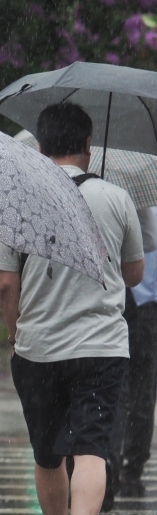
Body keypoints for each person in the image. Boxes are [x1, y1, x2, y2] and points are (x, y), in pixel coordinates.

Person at [0, 102, 144, 515]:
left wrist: (16, 336)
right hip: (101, 347)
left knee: (47, 452)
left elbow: (6, 286)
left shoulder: (19, 199)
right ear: (88, 146)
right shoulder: (115, 198)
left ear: (40, 145)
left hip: (38, 348)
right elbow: (134, 272)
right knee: (92, 447)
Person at [115, 207, 157, 498]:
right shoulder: (146, 195)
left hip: (128, 300)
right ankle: (130, 467)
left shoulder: (116, 197)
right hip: (145, 303)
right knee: (141, 389)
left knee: (120, 388)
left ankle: (118, 464)